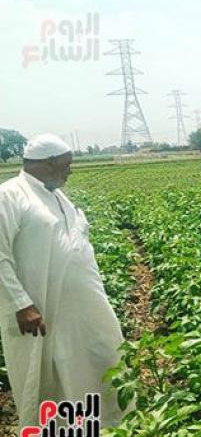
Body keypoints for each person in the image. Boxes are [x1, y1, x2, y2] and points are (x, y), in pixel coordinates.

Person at [0, 134, 124, 429]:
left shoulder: (55, 195)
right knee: (53, 376)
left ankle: (101, 425)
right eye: (67, 163)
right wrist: (22, 304)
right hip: (42, 308)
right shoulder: (10, 195)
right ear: (50, 162)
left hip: (82, 310)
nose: (71, 169)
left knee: (95, 363)